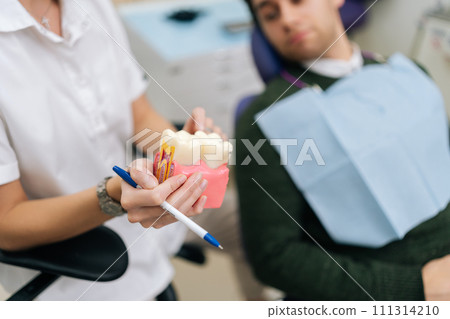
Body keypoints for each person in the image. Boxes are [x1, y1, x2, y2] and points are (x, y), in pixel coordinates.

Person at [0, 0, 261, 301]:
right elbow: (7, 223)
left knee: (257, 226)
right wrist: (112, 198)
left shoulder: (93, 7)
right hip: (79, 265)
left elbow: (139, 117)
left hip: (151, 208)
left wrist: (181, 150)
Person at [235, 0, 450, 300]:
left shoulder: (408, 74)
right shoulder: (264, 123)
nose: (287, 19)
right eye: (270, 14)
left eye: (297, 1)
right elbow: (274, 257)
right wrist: (415, 287)